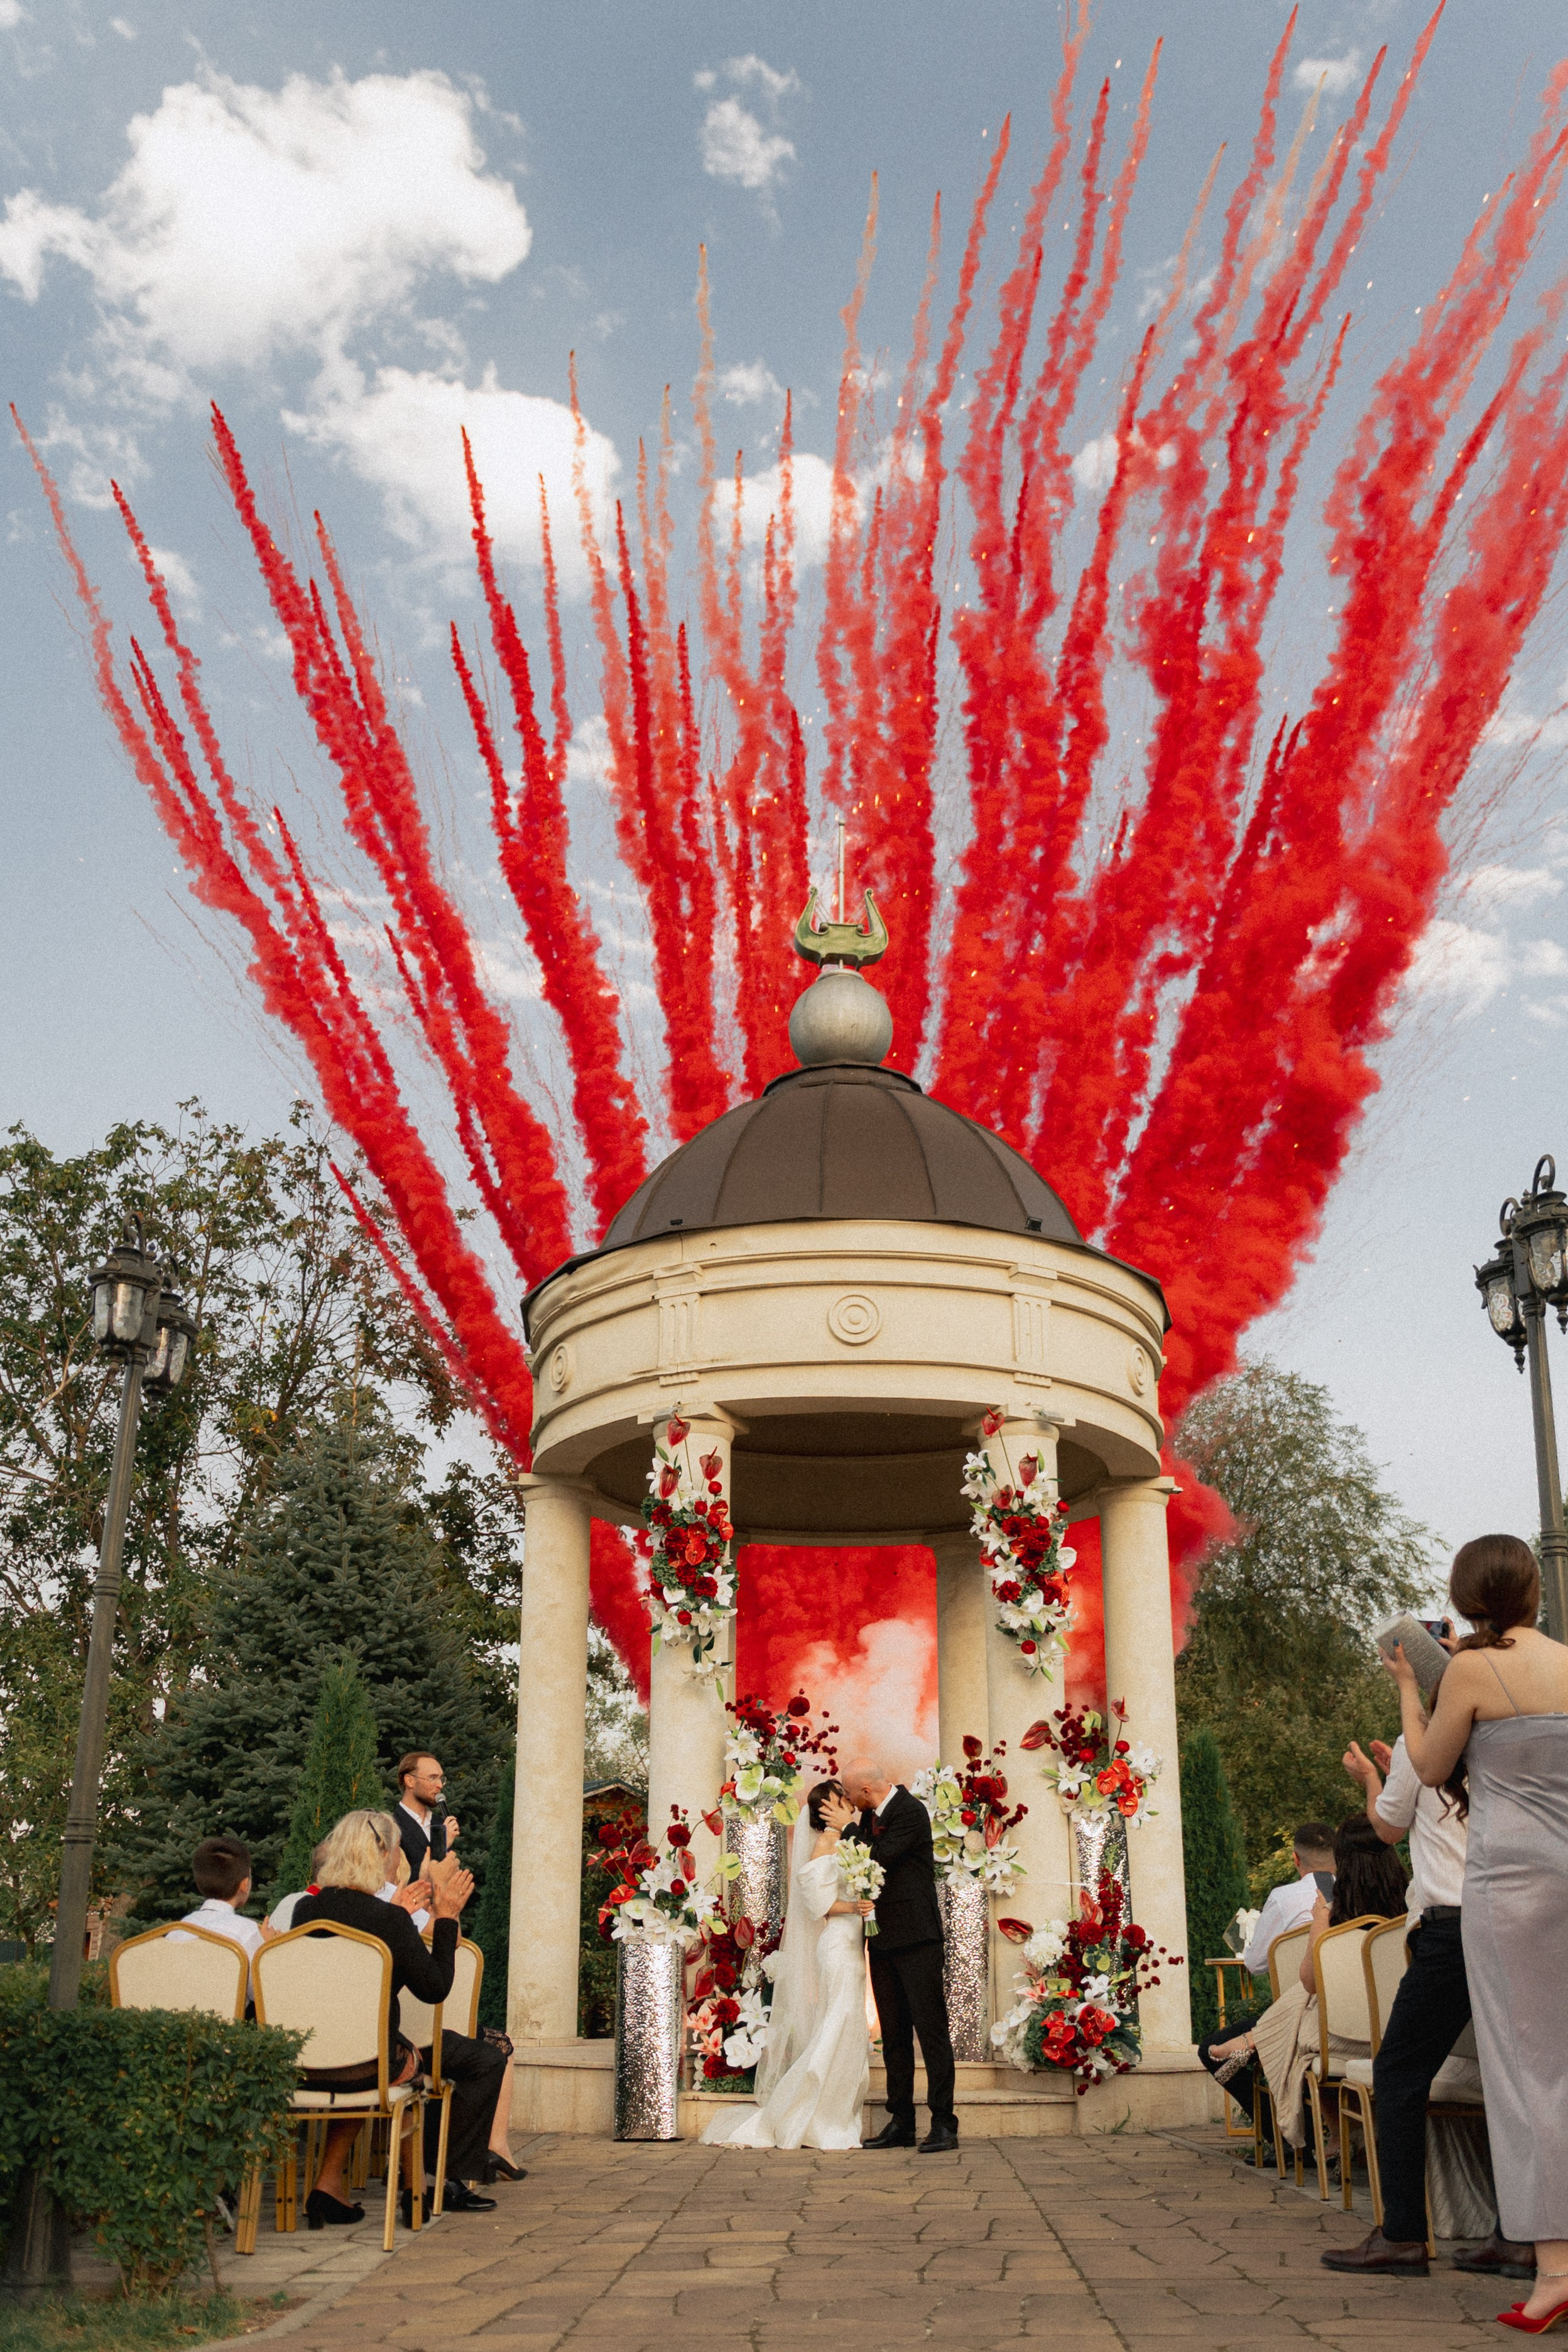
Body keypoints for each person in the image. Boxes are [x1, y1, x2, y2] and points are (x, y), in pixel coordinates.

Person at [1383, 1534, 1568, 2331]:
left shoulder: (1466, 1670)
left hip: (1511, 1892)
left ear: (1464, 1598)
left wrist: (1406, 1690)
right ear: (1531, 1591)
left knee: (1527, 2077)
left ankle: (1555, 2271)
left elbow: (1427, 1768)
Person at [1323, 1720, 1528, 2281]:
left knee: (1398, 2072)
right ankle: (1523, 2236)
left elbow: (1385, 1828)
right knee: (1515, 2080)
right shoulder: (1499, 1744)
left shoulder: (1423, 1741)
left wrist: (1383, 1775)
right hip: (1512, 1920)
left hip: (1452, 1928)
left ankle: (1404, 2234)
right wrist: (1389, 1775)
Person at [291, 1809, 501, 2227]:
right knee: (411, 2066)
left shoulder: (304, 1912)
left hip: (308, 2063)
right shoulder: (388, 1919)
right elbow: (435, 1987)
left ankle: (328, 2187)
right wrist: (444, 1919)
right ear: (382, 1853)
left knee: (373, 2054)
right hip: (368, 2065)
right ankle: (420, 2188)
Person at [1207, 1814, 1407, 2156]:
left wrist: (1320, 1923)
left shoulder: (1332, 1917)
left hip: (1343, 2038)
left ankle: (1303, 2137)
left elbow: (1303, 1980)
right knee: (1306, 2009)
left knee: (1304, 2019)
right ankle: (1335, 2137)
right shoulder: (1409, 1914)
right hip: (1400, 2031)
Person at [700, 1778, 874, 2150]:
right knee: (839, 2020)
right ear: (827, 1807)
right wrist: (857, 1906)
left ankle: (835, 2113)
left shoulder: (852, 1841)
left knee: (850, 2024)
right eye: (840, 1797)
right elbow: (819, 1904)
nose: (848, 1800)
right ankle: (811, 2114)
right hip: (838, 1941)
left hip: (854, 1944)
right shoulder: (826, 1843)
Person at [842, 1755, 958, 2155]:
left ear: (868, 1790)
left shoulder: (911, 1811)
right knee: (893, 2036)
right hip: (884, 1940)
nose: (849, 1801)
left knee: (931, 2033)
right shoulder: (870, 1818)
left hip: (919, 1940)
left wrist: (846, 1830)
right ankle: (901, 2122)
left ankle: (944, 2122)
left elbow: (876, 1859)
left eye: (851, 1794)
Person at [1197, 1822, 1335, 2143]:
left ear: (1296, 1859)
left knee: (1211, 2051)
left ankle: (1285, 2138)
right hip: (1347, 2018)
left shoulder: (1284, 1897)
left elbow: (1256, 1963)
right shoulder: (1360, 1892)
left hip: (1293, 2019)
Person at [173, 1836, 269, 1985]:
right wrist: (268, 1950)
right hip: (230, 2010)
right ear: (245, 1885)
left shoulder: (178, 1930)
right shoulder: (247, 1932)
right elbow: (261, 1992)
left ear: (200, 1883)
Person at [394, 1752, 457, 1883]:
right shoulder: (392, 1825)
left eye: (441, 1778)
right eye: (432, 1778)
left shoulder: (440, 1824)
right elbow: (398, 1880)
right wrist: (441, 1846)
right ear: (410, 1781)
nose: (439, 1785)